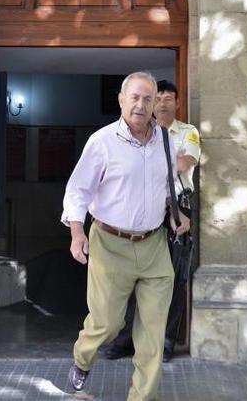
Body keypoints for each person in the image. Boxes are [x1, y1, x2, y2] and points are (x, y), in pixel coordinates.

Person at [62, 71, 190, 400]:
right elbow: (78, 190)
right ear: (121, 101)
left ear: (156, 104)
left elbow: (169, 185)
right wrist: (77, 232)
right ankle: (82, 358)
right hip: (109, 243)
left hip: (154, 246)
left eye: (148, 98)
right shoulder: (102, 142)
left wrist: (177, 213)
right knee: (107, 323)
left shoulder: (166, 140)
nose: (141, 104)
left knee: (151, 333)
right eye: (134, 97)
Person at [102, 79, 200, 362]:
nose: (163, 102)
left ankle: (166, 340)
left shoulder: (188, 133)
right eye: (159, 98)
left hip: (178, 207)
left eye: (170, 97)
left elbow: (183, 164)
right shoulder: (141, 134)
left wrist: (157, 162)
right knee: (132, 276)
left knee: (173, 276)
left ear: (177, 103)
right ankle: (125, 340)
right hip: (147, 206)